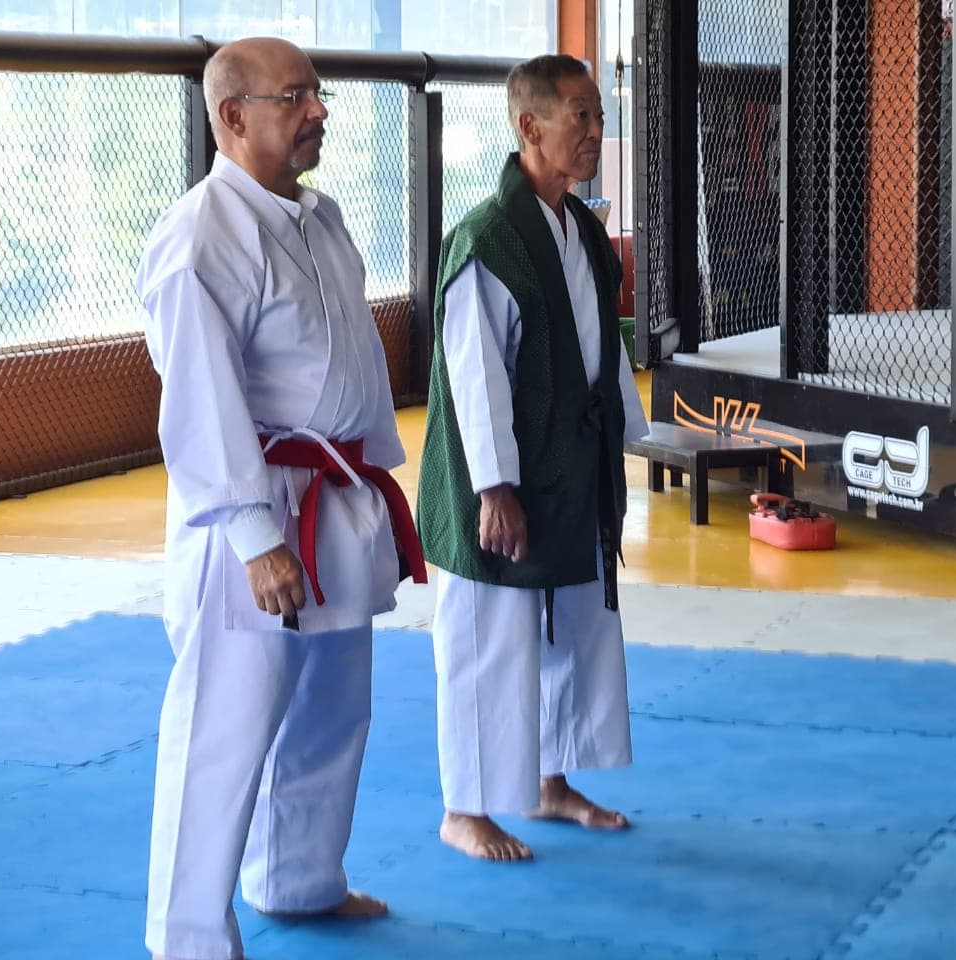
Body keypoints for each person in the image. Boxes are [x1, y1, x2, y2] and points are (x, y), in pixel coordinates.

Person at [136, 36, 426, 959]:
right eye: (295, 97)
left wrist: (373, 490)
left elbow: (346, 366)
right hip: (253, 513)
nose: (319, 112)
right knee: (222, 730)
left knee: (334, 707)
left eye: (317, 93)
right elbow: (200, 401)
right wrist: (255, 535)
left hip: (333, 495)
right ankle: (188, 937)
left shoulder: (319, 215)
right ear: (233, 116)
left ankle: (299, 878)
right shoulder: (199, 237)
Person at [417, 54, 648, 862]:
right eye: (580, 114)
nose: (595, 130)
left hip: (570, 463)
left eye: (598, 115)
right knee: (489, 636)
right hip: (502, 476)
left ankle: (550, 782)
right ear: (529, 126)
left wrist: (624, 440)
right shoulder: (487, 239)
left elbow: (599, 353)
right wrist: (494, 488)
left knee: (569, 624)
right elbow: (474, 375)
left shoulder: (579, 225)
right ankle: (465, 809)